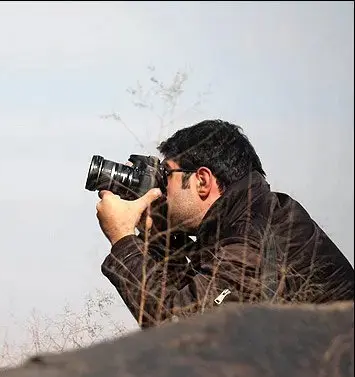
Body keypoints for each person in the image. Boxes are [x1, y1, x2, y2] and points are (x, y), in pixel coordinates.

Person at [95, 119, 354, 328]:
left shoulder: (252, 238)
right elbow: (188, 298)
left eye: (167, 176)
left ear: (202, 181)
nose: (162, 191)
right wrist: (160, 239)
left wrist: (123, 239)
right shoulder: (247, 218)